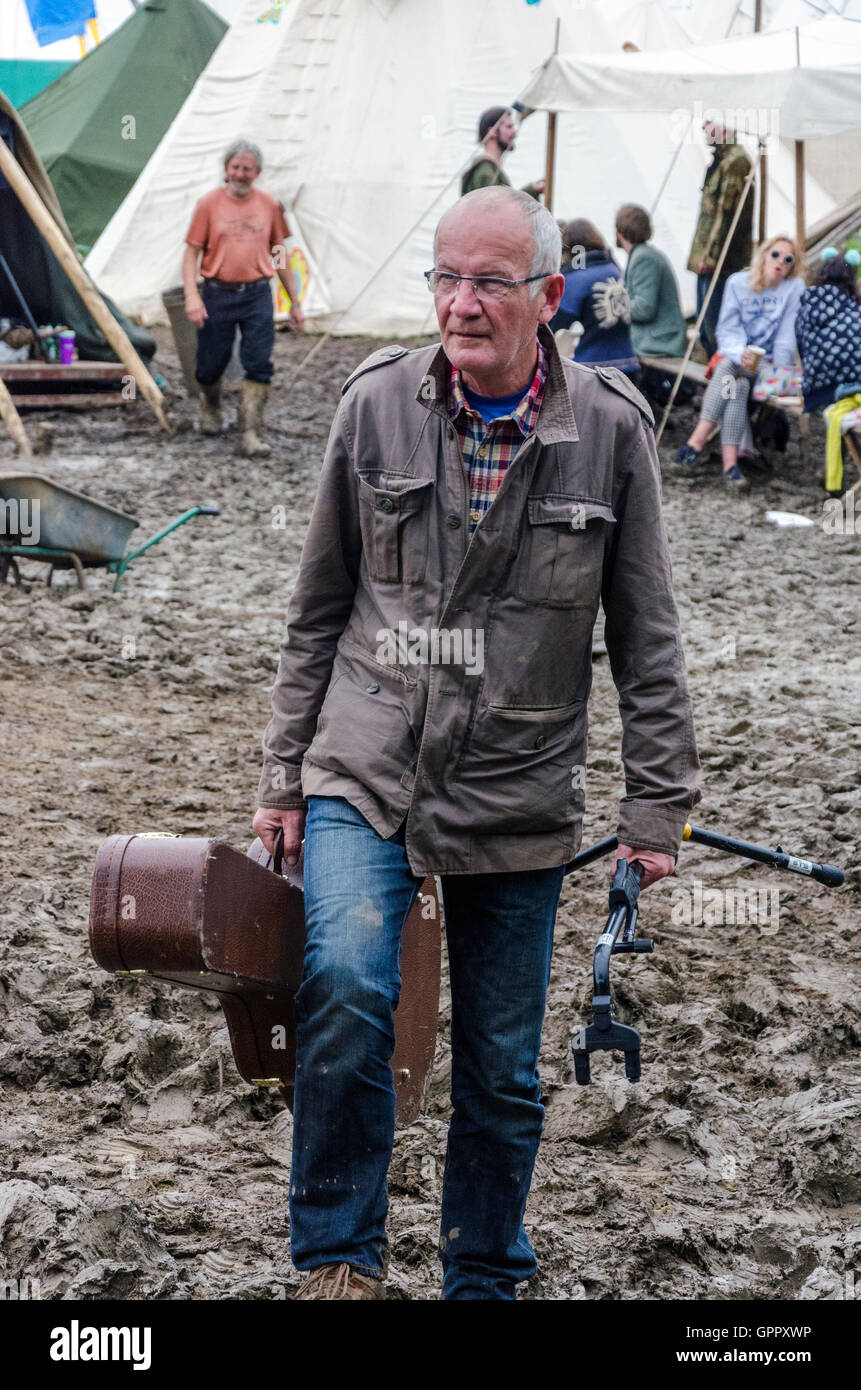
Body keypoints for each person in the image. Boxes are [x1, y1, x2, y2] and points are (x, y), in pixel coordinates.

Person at [251, 185, 701, 1301]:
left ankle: (485, 1276)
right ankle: (338, 1259)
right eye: (445, 279)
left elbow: (648, 635)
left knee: (502, 1071)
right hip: (369, 758)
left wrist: (656, 812)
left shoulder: (610, 433)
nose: (460, 305)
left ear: (549, 297)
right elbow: (318, 608)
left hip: (520, 784)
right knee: (348, 989)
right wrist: (282, 776)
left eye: (490, 283)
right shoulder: (375, 407)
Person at [183, 138, 304, 458]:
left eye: (247, 169)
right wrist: (192, 297)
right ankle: (211, 405)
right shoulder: (208, 204)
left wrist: (295, 302)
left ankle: (250, 432)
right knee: (210, 364)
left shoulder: (269, 205)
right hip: (217, 292)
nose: (240, 174)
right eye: (235, 167)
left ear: (257, 172)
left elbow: (280, 254)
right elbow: (191, 253)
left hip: (256, 294)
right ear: (226, 169)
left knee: (259, 362)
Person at [675, 234, 804, 489]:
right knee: (737, 384)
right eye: (775, 254)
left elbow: (786, 340)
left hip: (770, 368)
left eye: (788, 259)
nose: (780, 262)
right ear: (764, 255)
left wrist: (780, 381)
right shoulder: (738, 283)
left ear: (792, 266)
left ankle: (695, 442)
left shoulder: (793, 288)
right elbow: (727, 331)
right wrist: (739, 353)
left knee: (728, 368)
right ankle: (730, 466)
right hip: (739, 361)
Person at [796, 248, 861, 492]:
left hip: (816, 393)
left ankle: (834, 478)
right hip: (849, 390)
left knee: (837, 412)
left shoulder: (806, 306)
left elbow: (802, 349)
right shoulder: (855, 309)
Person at [687, 121, 754, 360]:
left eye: (710, 122)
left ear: (725, 127)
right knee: (704, 323)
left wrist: (711, 256)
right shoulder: (721, 160)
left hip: (720, 261)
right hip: (708, 257)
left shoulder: (735, 162)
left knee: (714, 325)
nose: (703, 126)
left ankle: (722, 376)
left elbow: (725, 216)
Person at [550, 218, 639, 377]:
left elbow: (554, 326)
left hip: (591, 371)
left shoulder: (575, 279)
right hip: (629, 365)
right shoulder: (616, 270)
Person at [460, 106, 545, 199]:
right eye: (509, 127)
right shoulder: (485, 172)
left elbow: (504, 202)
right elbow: (496, 210)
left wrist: (532, 190)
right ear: (492, 132)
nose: (514, 133)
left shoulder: (491, 169)